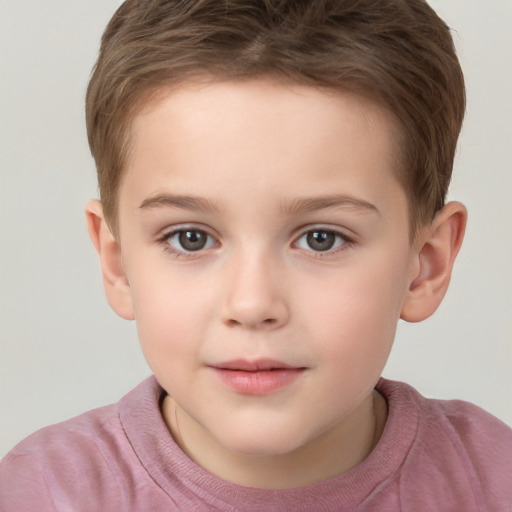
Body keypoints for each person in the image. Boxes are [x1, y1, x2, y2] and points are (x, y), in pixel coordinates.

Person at [1, 0, 510, 510]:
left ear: (425, 264)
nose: (251, 304)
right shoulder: (41, 493)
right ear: (117, 263)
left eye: (321, 238)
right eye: (190, 238)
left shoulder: (493, 482)